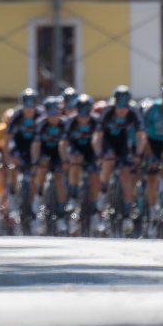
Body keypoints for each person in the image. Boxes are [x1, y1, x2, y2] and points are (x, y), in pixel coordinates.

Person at [98, 86, 142, 234]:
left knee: (126, 172)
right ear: (114, 104)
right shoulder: (106, 112)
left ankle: (127, 212)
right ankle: (103, 191)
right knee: (109, 161)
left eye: (126, 106)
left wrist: (139, 155)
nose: (123, 109)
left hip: (122, 142)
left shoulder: (134, 113)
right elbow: (97, 136)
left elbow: (141, 135)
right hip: (107, 141)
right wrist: (99, 154)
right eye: (120, 105)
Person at [140, 85, 163, 236]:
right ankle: (152, 213)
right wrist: (151, 156)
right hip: (151, 143)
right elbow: (143, 136)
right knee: (151, 176)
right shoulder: (151, 110)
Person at [31, 96, 69, 233]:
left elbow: (65, 144)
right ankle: (39, 195)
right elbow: (36, 144)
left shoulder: (65, 123)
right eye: (50, 114)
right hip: (44, 151)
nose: (53, 118)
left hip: (59, 153)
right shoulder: (41, 124)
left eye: (56, 113)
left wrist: (65, 160)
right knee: (41, 168)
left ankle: (61, 214)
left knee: (59, 177)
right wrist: (35, 160)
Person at [64, 93, 101, 227]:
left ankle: (96, 209)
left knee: (93, 176)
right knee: (75, 160)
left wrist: (99, 155)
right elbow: (64, 142)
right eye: (81, 116)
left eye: (86, 116)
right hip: (76, 148)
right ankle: (73, 195)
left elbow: (99, 139)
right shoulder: (71, 120)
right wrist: (65, 159)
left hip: (91, 150)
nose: (84, 119)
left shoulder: (96, 120)